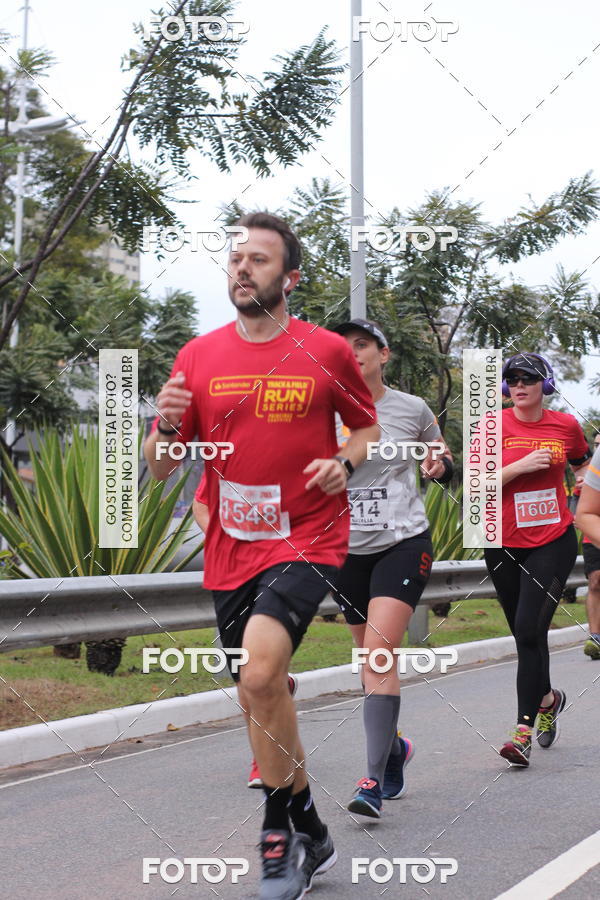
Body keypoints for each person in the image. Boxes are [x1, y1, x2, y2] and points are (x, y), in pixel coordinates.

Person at [144, 212, 380, 900]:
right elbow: (161, 468)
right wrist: (162, 425)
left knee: (261, 670)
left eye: (260, 259)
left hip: (307, 534)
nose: (243, 269)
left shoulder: (327, 350)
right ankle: (313, 824)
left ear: (290, 277)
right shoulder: (197, 356)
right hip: (230, 547)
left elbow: (364, 428)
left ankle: (277, 840)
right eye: (236, 259)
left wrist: (343, 461)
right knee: (258, 694)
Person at [329, 319, 453, 818]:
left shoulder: (412, 408)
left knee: (380, 650)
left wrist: (438, 462)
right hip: (344, 548)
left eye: (362, 345)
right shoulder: (320, 410)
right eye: (344, 348)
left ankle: (371, 781)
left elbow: (437, 449)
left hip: (403, 541)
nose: (353, 353)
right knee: (366, 656)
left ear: (385, 354)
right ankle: (395, 748)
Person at [482, 353, 591, 766]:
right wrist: (520, 466)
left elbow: (583, 463)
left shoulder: (566, 425)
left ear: (545, 384)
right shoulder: (492, 427)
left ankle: (521, 732)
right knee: (524, 635)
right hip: (503, 541)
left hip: (553, 539)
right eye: (513, 378)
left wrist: (583, 483)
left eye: (529, 377)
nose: (520, 383)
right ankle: (548, 699)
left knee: (530, 629)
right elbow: (476, 483)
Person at [192, 479, 298, 789]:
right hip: (231, 571)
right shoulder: (226, 453)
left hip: (278, 567)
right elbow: (201, 504)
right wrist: (223, 538)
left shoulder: (291, 452)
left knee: (260, 668)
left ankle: (261, 760)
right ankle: (277, 694)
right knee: (242, 672)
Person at [573, 433, 600, 659]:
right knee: (596, 580)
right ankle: (596, 636)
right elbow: (582, 512)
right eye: (597, 444)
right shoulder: (589, 473)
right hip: (593, 535)